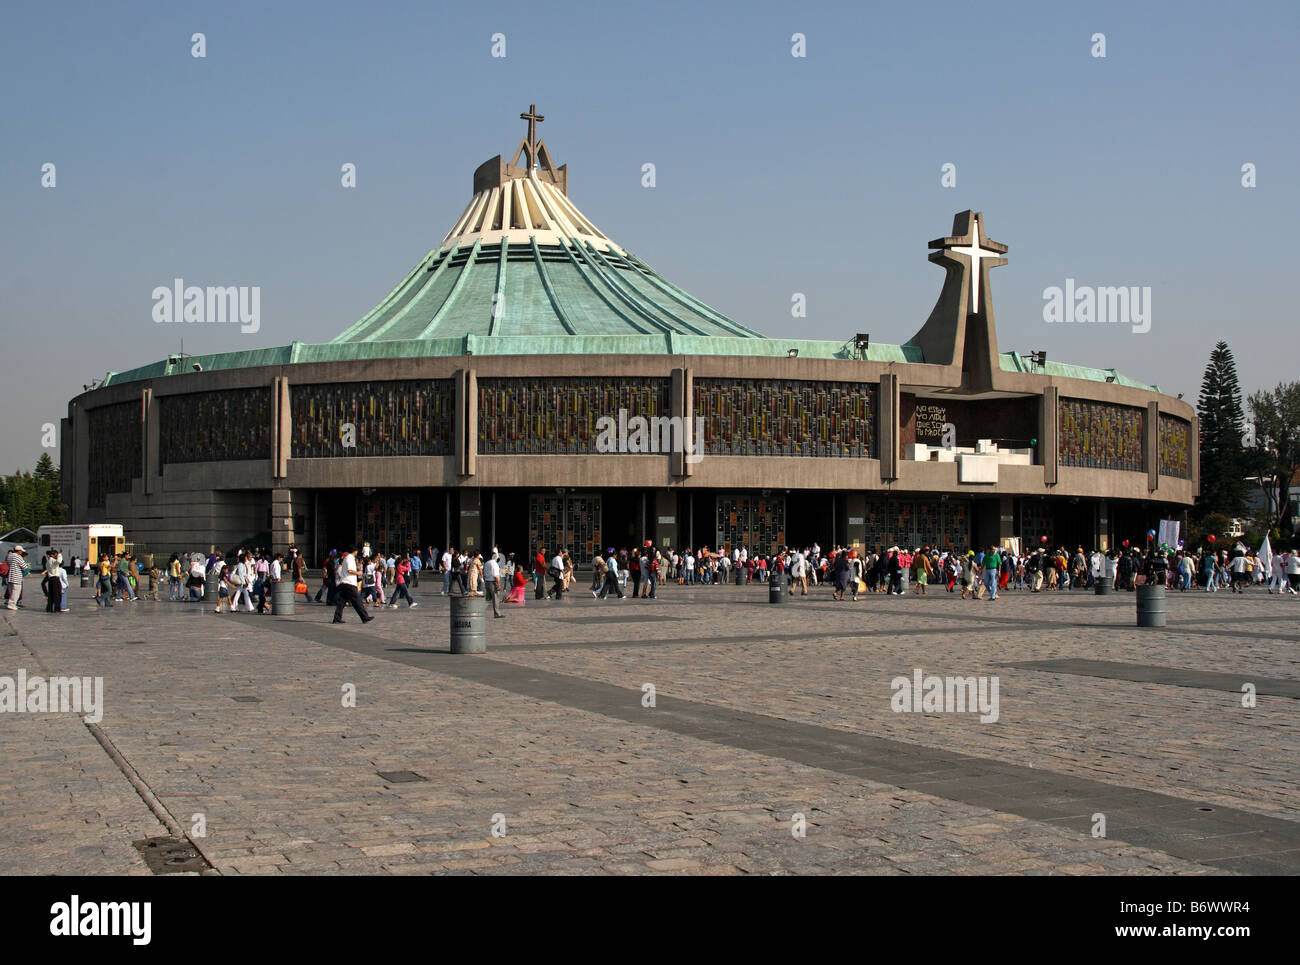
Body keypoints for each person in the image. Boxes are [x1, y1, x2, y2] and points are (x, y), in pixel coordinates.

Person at [332, 546, 373, 624]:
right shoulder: (350, 558)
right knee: (357, 600)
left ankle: (337, 618)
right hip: (349, 583)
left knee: (342, 602)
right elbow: (350, 570)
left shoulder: (346, 558)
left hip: (345, 582)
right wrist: (359, 573)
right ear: (355, 551)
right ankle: (365, 617)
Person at [483, 552, 504, 617]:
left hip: (487, 581)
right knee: (496, 599)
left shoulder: (486, 563)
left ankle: (480, 610)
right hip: (493, 582)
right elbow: (495, 576)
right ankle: (497, 613)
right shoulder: (494, 564)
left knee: (488, 599)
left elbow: (484, 573)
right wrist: (498, 584)